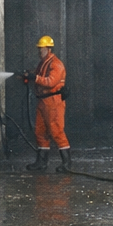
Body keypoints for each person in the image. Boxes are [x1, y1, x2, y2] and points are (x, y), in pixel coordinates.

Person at [25, 35, 71, 173]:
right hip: (43, 101)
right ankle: (41, 162)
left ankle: (67, 163)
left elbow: (51, 81)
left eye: (42, 48)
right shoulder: (43, 63)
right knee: (40, 131)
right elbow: (38, 75)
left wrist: (35, 78)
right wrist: (27, 75)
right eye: (39, 49)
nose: (39, 51)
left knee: (56, 131)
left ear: (49, 48)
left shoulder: (56, 64)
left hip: (53, 102)